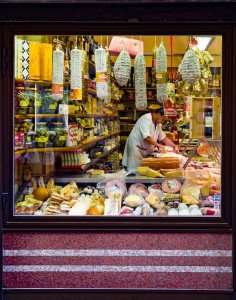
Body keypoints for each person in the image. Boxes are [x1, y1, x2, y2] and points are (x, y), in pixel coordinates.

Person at [122, 104, 178, 172]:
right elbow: (147, 137)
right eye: (162, 118)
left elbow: (163, 138)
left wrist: (174, 146)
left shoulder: (157, 124)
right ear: (157, 114)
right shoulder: (146, 119)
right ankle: (133, 182)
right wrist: (159, 145)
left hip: (144, 150)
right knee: (134, 171)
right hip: (136, 148)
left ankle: (140, 182)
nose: (162, 121)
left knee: (142, 170)